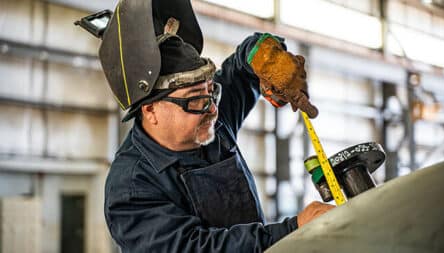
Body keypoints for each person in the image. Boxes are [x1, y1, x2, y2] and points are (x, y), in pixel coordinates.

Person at [78, 0, 334, 252]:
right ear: (150, 110)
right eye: (196, 100)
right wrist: (291, 230)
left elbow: (243, 66)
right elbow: (194, 248)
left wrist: (265, 55)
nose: (212, 109)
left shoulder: (209, 122)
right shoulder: (131, 186)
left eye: (212, 92)